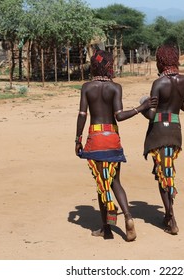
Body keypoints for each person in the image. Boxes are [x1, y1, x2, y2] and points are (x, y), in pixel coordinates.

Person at [75, 49, 157, 241]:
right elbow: (119, 116)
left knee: (101, 184)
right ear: (110, 66)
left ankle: (107, 229)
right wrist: (141, 108)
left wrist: (77, 139)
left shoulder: (87, 87)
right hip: (112, 137)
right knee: (115, 181)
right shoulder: (115, 88)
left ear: (94, 66)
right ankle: (128, 217)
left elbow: (82, 115)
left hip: (95, 138)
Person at [141, 44, 184, 235]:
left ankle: (171, 217)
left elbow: (152, 115)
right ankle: (168, 214)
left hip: (159, 132)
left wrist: (143, 105)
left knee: (163, 176)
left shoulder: (158, 84)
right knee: (167, 171)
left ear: (160, 61)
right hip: (175, 131)